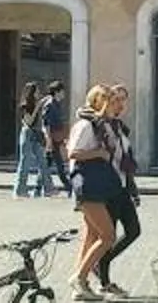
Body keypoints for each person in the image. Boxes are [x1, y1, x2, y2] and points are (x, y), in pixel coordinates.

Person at [66, 85, 125, 299]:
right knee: (108, 236)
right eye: (108, 99)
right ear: (98, 102)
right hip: (88, 186)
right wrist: (98, 152)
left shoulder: (101, 125)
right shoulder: (85, 125)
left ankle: (80, 284)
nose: (113, 103)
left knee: (91, 235)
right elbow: (73, 153)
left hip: (97, 186)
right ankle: (79, 278)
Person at [97, 85, 144, 292]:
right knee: (108, 236)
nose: (121, 104)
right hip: (108, 187)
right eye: (116, 99)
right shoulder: (101, 126)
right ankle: (104, 281)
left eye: (124, 100)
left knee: (134, 230)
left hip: (123, 187)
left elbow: (126, 161)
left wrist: (133, 189)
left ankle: (101, 263)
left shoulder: (120, 127)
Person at [13, 84, 53, 197]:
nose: (38, 93)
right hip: (27, 134)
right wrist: (37, 107)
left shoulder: (37, 104)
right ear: (31, 93)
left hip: (36, 134)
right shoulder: (25, 106)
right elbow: (29, 122)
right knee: (25, 163)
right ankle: (20, 190)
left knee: (43, 161)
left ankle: (49, 188)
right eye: (37, 91)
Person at [40, 81, 72, 193]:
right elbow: (46, 124)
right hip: (52, 139)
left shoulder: (57, 104)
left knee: (47, 164)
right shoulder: (49, 105)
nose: (64, 93)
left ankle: (38, 188)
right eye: (62, 91)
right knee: (58, 165)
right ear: (56, 92)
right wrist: (48, 140)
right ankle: (69, 187)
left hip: (57, 138)